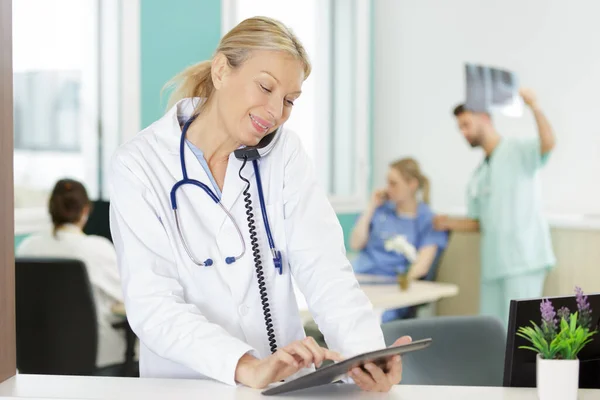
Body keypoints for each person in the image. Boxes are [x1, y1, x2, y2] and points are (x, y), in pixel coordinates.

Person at [108, 16, 409, 391]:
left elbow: (325, 268)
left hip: (285, 387)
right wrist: (245, 366)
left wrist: (366, 356)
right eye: (265, 87)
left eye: (289, 100)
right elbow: (153, 304)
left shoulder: (285, 154)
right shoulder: (140, 165)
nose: (276, 112)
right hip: (186, 386)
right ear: (221, 70)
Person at [434, 88, 556, 326]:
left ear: (485, 118)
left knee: (523, 333)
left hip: (523, 260)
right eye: (460, 127)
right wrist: (447, 222)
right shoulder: (479, 174)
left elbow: (548, 143)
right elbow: (480, 221)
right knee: (495, 332)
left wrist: (534, 106)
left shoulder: (516, 150)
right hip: (494, 265)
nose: (463, 132)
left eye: (466, 124)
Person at [16, 179, 126, 369]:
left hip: (36, 359)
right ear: (85, 211)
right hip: (98, 359)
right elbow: (128, 298)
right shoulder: (98, 249)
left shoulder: (27, 247)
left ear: (51, 209)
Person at [350, 158, 449, 322]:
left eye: (393, 183)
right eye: (387, 183)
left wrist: (400, 287)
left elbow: (422, 266)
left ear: (412, 185)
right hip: (359, 280)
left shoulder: (427, 220)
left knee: (369, 322)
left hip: (390, 289)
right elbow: (355, 243)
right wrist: (371, 206)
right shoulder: (380, 211)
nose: (388, 189)